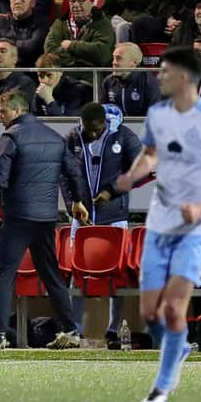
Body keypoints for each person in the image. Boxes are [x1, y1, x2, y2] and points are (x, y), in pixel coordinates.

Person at [116, 46, 201, 402]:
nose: (159, 76)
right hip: (159, 224)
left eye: (165, 71)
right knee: (150, 313)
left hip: (197, 227)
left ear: (184, 77)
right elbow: (152, 154)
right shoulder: (157, 114)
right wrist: (132, 174)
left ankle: (162, 388)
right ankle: (179, 344)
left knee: (173, 308)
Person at [0, 89, 89, 350]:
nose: (0, 117)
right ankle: (70, 330)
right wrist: (77, 201)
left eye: (3, 112)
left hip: (18, 215)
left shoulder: (10, 137)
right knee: (50, 273)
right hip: (45, 217)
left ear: (17, 111)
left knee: (4, 273)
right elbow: (74, 171)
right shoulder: (54, 137)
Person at [60, 102, 142, 344]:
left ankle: (114, 328)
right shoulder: (73, 138)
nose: (92, 133)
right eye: (88, 129)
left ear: (104, 123)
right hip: (82, 217)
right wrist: (73, 204)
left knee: (116, 273)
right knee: (77, 270)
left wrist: (111, 191)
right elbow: (64, 175)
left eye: (96, 129)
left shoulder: (124, 136)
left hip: (114, 217)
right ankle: (75, 329)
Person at [44, 0, 115, 85]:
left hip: (91, 79)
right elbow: (50, 49)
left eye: (81, 1)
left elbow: (102, 53)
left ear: (91, 2)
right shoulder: (60, 23)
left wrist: (71, 46)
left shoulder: (103, 23)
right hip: (62, 77)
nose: (76, 5)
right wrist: (77, 64)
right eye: (72, 1)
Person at [0, 0, 49, 67]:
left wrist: (2, 48)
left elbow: (32, 49)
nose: (17, 1)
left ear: (33, 3)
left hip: (28, 74)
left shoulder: (42, 24)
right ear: (10, 1)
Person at [99, 42, 161, 116]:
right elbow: (103, 112)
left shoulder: (149, 82)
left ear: (133, 63)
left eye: (119, 58)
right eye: (113, 58)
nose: (114, 62)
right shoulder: (108, 81)